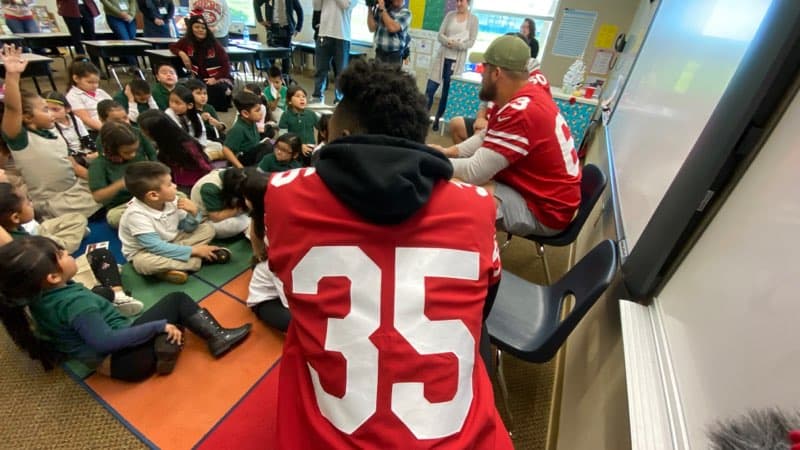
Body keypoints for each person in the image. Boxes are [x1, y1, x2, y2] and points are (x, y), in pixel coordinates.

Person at [262, 58, 511, 449]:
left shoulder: (284, 194)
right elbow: (485, 302)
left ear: (340, 133)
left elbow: (282, 278)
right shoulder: (478, 205)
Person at [0, 236, 251, 380]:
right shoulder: (76, 303)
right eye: (61, 254)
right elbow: (105, 342)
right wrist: (157, 325)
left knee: (102, 293)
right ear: (53, 277)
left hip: (105, 361)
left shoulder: (29, 297)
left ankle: (165, 343)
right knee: (177, 301)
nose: (67, 253)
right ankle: (217, 338)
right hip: (126, 363)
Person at [442, 35, 581, 237]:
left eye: (485, 68)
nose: (481, 74)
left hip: (545, 211)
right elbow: (487, 137)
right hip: (545, 195)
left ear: (497, 73)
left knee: (454, 189)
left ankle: (468, 254)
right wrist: (449, 152)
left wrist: (430, 161)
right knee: (456, 176)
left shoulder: (521, 112)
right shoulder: (525, 93)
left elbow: (474, 171)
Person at [0, 45, 102, 220]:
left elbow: (74, 166)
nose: (52, 114)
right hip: (53, 202)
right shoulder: (20, 139)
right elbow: (12, 108)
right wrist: (13, 75)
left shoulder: (53, 132)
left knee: (111, 197)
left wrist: (99, 182)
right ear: (27, 117)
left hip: (75, 190)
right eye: (45, 110)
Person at [118, 161, 229, 284]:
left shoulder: (172, 200)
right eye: (170, 184)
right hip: (146, 251)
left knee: (207, 228)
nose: (175, 186)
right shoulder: (136, 215)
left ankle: (173, 267)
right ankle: (197, 260)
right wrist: (195, 251)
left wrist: (194, 214)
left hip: (174, 239)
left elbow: (186, 228)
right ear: (154, 195)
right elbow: (156, 247)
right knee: (143, 264)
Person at [239, 170, 289, 332]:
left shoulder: (270, 219)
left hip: (277, 271)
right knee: (309, 323)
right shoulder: (278, 258)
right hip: (268, 299)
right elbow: (290, 302)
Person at [89, 121, 157, 228]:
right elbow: (98, 197)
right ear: (112, 150)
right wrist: (121, 183)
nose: (133, 155)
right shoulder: (99, 165)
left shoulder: (136, 154)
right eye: (127, 152)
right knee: (115, 218)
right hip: (122, 206)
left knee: (178, 196)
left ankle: (151, 219)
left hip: (148, 197)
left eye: (135, 150)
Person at [424, 0, 478, 131]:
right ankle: (424, 118)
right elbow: (440, 35)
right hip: (442, 57)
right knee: (430, 89)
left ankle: (437, 119)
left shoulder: (473, 19)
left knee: (446, 94)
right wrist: (447, 41)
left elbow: (471, 42)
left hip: (456, 61)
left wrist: (458, 45)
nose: (459, 3)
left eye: (462, 1)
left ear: (468, 3)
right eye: (457, 1)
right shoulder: (450, 15)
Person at [137, 109, 214, 191]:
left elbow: (203, 164)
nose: (141, 132)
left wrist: (210, 180)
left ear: (155, 132)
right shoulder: (162, 143)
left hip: (191, 183)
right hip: (174, 179)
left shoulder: (186, 145)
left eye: (144, 130)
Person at [169, 14, 233, 112]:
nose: (200, 30)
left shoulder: (214, 44)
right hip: (199, 79)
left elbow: (226, 66)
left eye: (203, 28)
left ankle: (226, 95)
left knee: (213, 90)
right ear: (191, 28)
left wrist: (215, 79)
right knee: (185, 89)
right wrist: (182, 53)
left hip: (219, 78)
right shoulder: (187, 41)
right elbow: (173, 47)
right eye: (197, 27)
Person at [311, 0, 356, 104]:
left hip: (342, 35)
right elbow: (316, 6)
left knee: (341, 72)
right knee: (320, 69)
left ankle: (339, 99)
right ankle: (317, 96)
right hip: (324, 32)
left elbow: (345, 5)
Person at [189, 167, 250, 239]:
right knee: (242, 222)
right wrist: (240, 208)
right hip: (208, 220)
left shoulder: (231, 173)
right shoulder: (210, 188)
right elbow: (216, 217)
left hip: (227, 207)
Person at [45, 91, 97, 174]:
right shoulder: (50, 126)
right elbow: (64, 150)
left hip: (84, 151)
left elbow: (86, 139)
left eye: (55, 109)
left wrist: (96, 150)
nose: (50, 114)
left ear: (67, 109)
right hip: (71, 156)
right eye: (46, 110)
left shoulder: (75, 119)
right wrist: (85, 156)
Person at [222, 91, 270, 168]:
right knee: (266, 147)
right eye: (257, 110)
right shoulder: (238, 129)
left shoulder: (252, 122)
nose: (261, 113)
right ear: (245, 114)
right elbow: (226, 149)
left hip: (251, 154)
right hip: (242, 160)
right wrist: (239, 166)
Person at [254, 0, 302, 74]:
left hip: (287, 28)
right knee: (271, 56)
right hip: (273, 28)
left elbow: (299, 10)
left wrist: (298, 28)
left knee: (286, 56)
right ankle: (272, 78)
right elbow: (256, 3)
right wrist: (260, 20)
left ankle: (285, 79)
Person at [66, 59, 113, 132]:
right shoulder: (73, 96)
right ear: (76, 78)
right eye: (90, 82)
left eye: (97, 82)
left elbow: (115, 107)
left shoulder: (100, 92)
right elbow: (86, 119)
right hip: (94, 130)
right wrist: (109, 130)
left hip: (112, 124)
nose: (95, 86)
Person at [367, 0, 410, 67]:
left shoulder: (405, 13)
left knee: (391, 77)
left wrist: (382, 8)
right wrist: (369, 8)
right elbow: (371, 28)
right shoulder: (382, 10)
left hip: (394, 56)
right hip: (379, 53)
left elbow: (392, 28)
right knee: (378, 77)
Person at [278, 85, 317, 158]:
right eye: (298, 96)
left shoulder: (311, 114)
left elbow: (323, 128)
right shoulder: (286, 115)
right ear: (289, 101)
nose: (302, 99)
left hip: (311, 149)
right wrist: (299, 146)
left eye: (304, 96)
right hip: (293, 150)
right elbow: (283, 137)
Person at [185, 78, 226, 142]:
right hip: (201, 138)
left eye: (205, 93)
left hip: (215, 135)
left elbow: (220, 127)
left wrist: (218, 125)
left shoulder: (209, 108)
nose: (203, 96)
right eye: (198, 93)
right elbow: (189, 130)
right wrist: (200, 119)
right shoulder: (188, 109)